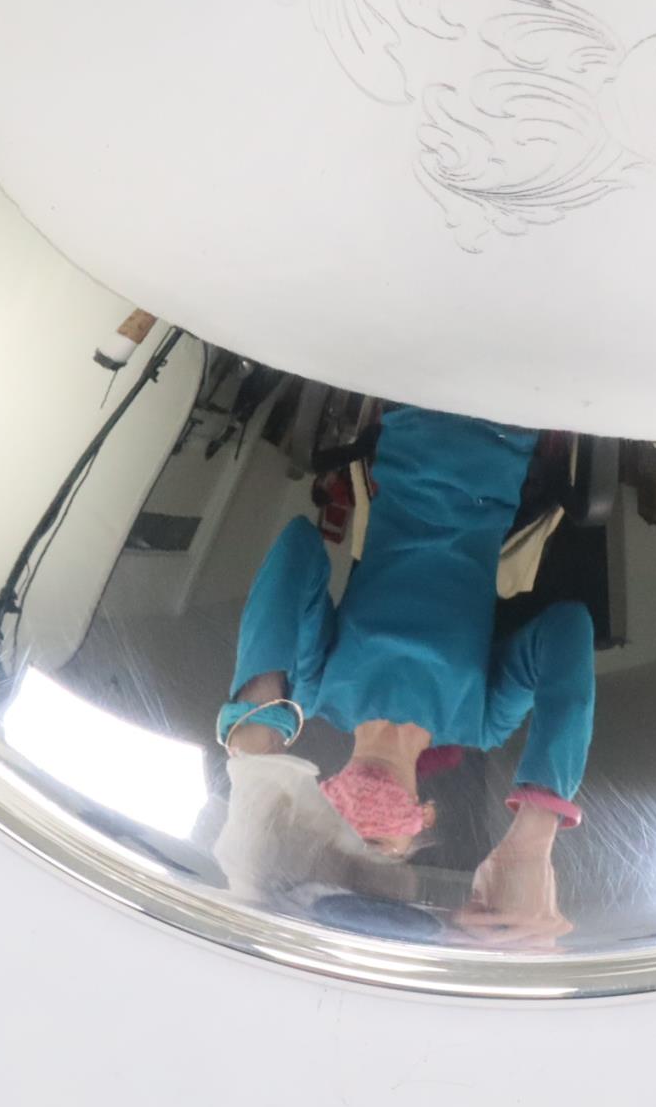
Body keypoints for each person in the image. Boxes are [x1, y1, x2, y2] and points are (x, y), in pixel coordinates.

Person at [216, 405, 596, 946]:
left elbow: (299, 545)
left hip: (411, 413)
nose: (363, 831)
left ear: (323, 800)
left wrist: (257, 720)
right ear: (424, 817)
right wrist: (536, 831)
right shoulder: (481, 723)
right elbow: (569, 630)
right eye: (381, 846)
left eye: (346, 838)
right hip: (507, 428)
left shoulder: (314, 688)